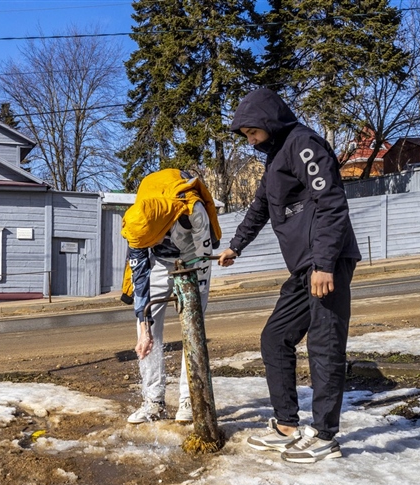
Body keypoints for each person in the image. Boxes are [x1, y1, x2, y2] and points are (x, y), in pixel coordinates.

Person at [217, 88, 361, 464]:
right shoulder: (275, 157)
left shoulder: (304, 145)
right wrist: (236, 246)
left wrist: (325, 263)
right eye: (245, 135)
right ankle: (286, 427)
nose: (249, 140)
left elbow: (331, 202)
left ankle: (326, 437)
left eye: (252, 132)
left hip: (326, 260)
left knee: (324, 344)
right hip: (303, 265)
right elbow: (260, 206)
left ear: (268, 120)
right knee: (275, 337)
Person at [120, 169, 221, 424]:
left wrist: (190, 292)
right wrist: (144, 325)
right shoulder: (138, 224)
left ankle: (189, 398)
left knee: (192, 324)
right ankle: (153, 401)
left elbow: (203, 257)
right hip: (162, 262)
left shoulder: (192, 210)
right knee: (145, 323)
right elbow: (139, 276)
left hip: (193, 260)